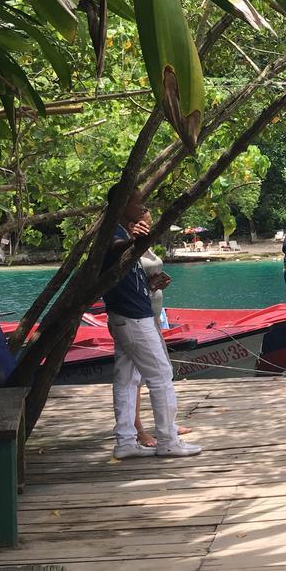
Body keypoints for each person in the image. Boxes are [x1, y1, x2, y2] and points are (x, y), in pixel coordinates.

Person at [103, 185, 201, 459]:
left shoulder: (122, 234)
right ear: (123, 205)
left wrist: (149, 284)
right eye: (137, 202)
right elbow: (111, 250)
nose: (142, 207)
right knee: (160, 377)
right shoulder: (114, 235)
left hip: (126, 315)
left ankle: (125, 442)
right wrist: (134, 241)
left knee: (126, 379)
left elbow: (120, 273)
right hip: (134, 320)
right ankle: (168, 440)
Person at [132, 219, 192, 448]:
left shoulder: (146, 245)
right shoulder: (127, 244)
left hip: (154, 315)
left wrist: (154, 284)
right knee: (137, 378)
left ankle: (168, 424)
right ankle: (139, 430)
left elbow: (141, 281)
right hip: (137, 317)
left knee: (163, 371)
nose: (147, 220)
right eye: (142, 215)